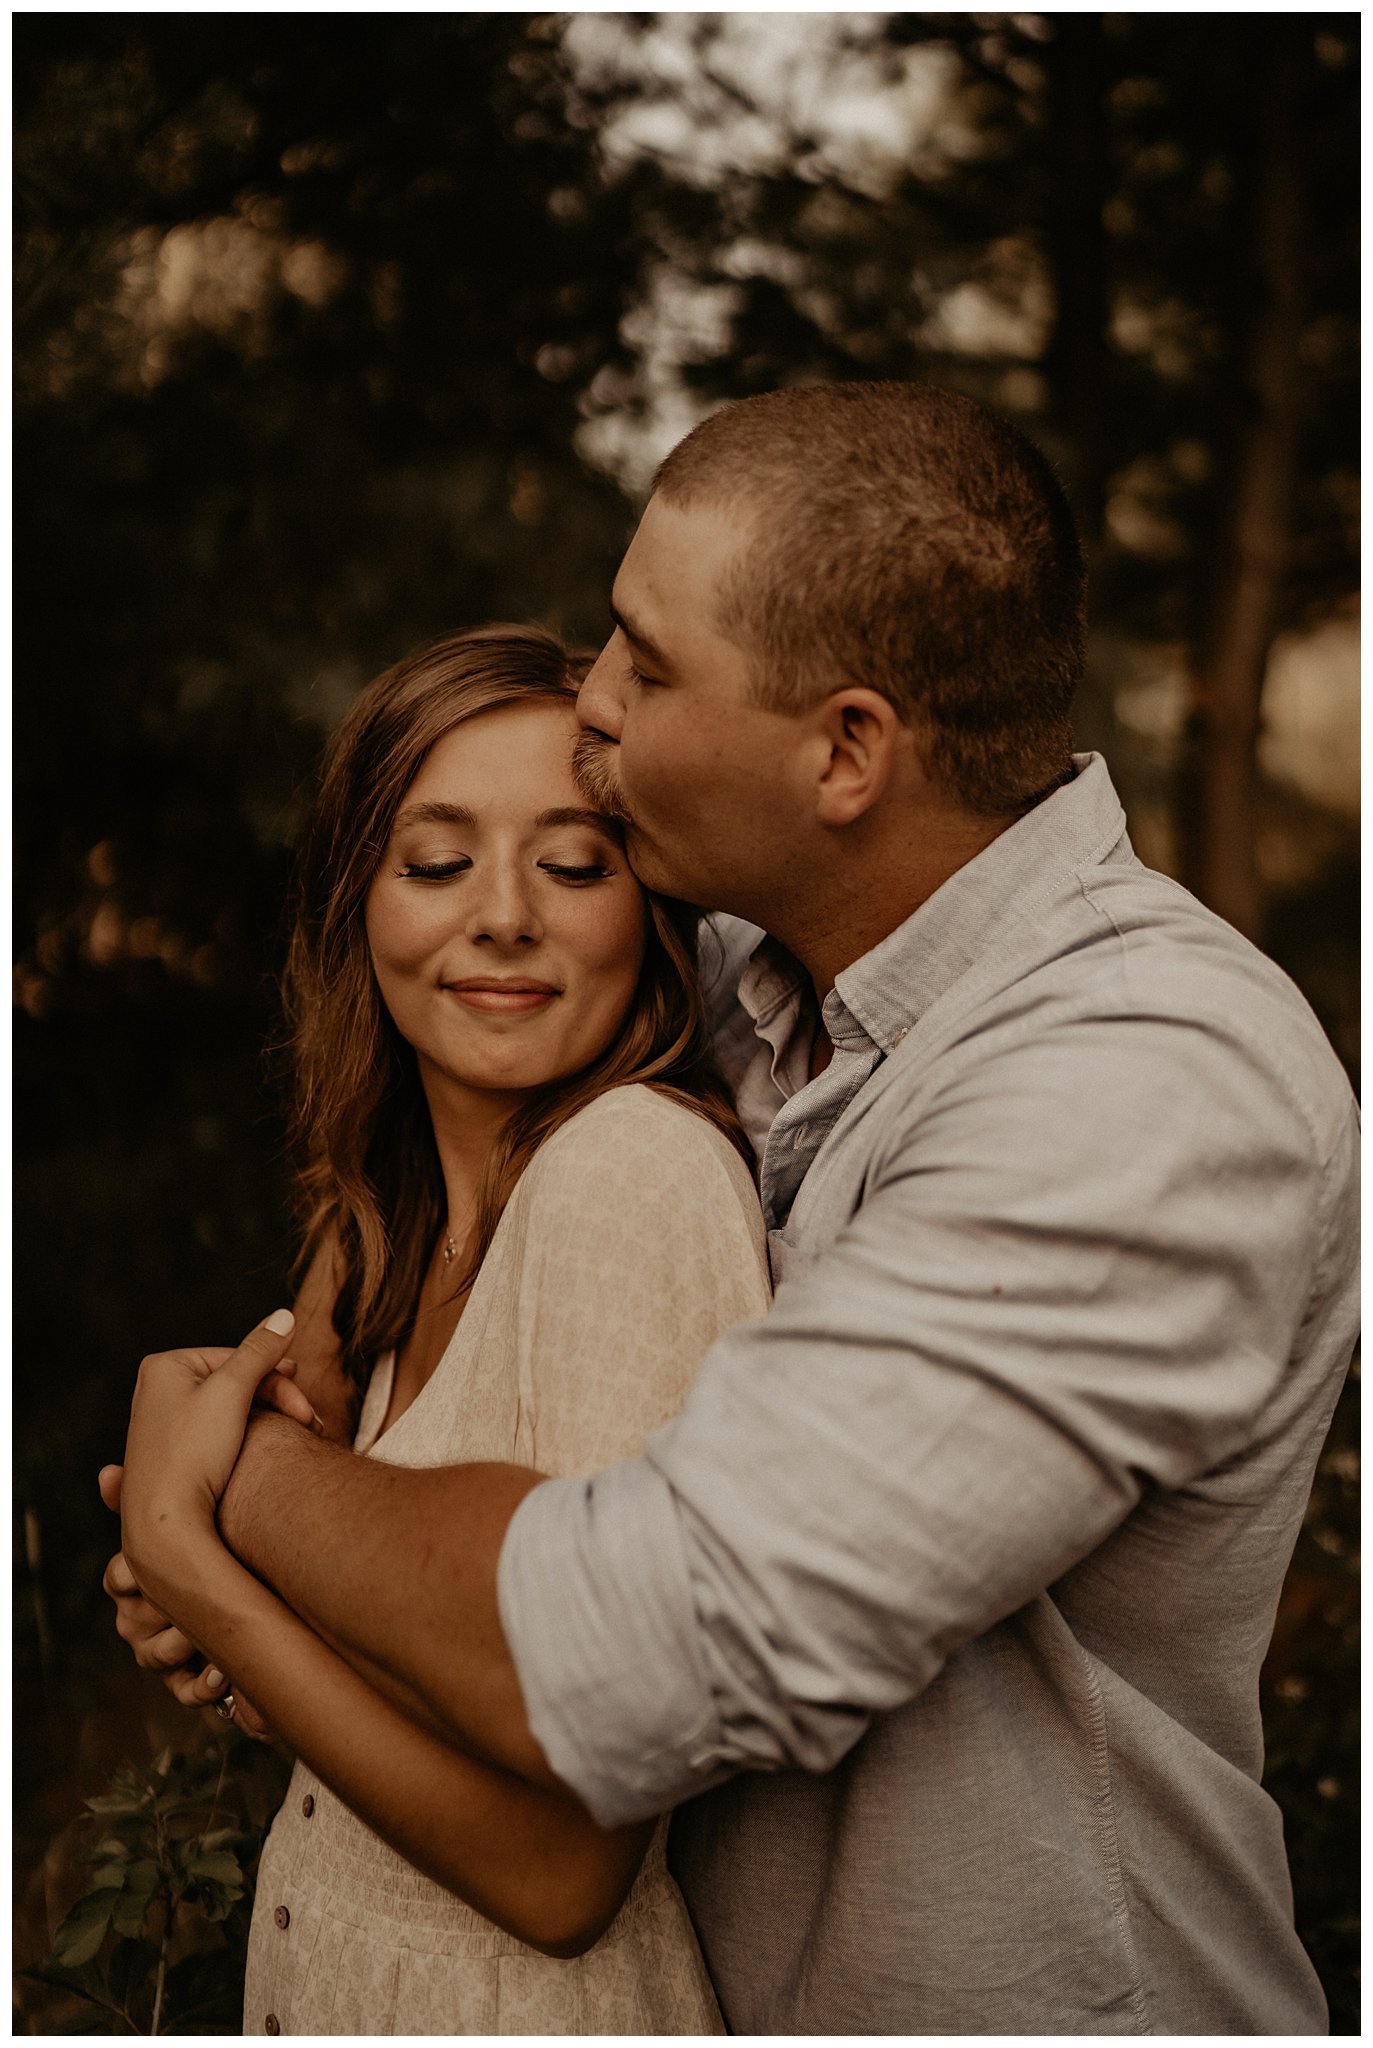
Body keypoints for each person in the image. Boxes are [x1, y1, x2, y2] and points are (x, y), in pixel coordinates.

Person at [109, 383, 1359, 2036]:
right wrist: (313, 1332)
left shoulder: (1141, 1082)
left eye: (641, 660)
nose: (594, 706)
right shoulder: (758, 976)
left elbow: (643, 1641)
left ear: (845, 751)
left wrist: (235, 1489)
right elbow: (454, 1078)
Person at [113, 622, 771, 2034]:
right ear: (358, 897)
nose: (504, 915)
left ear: (646, 905)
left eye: (575, 861)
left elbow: (558, 1869)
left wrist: (193, 1546)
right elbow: (428, 1704)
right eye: (436, 859)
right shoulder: (383, 1234)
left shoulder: (631, 1178)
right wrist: (234, 1640)